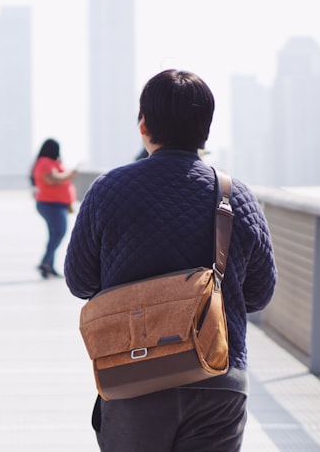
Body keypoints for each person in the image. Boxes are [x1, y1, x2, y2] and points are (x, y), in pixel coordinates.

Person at [64, 69, 277, 451]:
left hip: (133, 376)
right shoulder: (236, 195)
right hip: (217, 378)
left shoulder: (108, 190)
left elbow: (80, 281)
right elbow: (259, 294)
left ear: (144, 124)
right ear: (205, 128)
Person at [31, 138, 77, 279]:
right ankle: (45, 262)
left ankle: (49, 266)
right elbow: (53, 179)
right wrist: (71, 174)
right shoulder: (44, 162)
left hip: (58, 204)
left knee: (54, 234)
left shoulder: (53, 162)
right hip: (50, 204)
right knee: (59, 232)